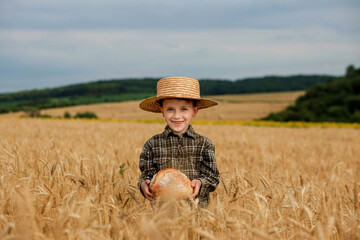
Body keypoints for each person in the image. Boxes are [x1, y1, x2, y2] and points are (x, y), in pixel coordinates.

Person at [137, 76, 220, 208]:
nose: (177, 116)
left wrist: (200, 183)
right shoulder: (152, 144)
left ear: (195, 111)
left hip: (197, 214)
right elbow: (146, 175)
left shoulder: (204, 143)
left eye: (184, 109)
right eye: (170, 109)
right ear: (162, 111)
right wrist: (143, 185)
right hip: (163, 214)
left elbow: (213, 177)